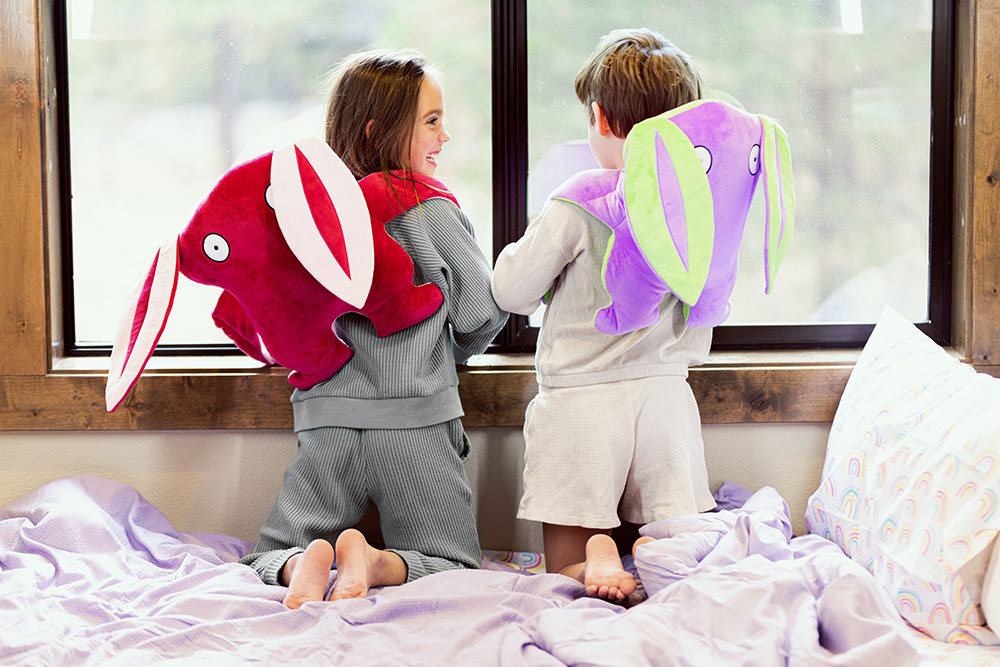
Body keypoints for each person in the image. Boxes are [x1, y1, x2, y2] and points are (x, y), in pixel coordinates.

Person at [240, 49, 508, 608]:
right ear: (379, 130)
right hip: (416, 426)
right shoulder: (428, 210)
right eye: (433, 122)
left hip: (327, 428)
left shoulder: (303, 223)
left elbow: (276, 318)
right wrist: (446, 351)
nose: (446, 135)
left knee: (264, 555)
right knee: (453, 562)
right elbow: (481, 313)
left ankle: (297, 566)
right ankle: (377, 562)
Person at [491, 29, 717, 602]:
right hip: (666, 396)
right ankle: (637, 558)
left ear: (600, 117)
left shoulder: (581, 196)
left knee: (560, 556)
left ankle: (588, 559)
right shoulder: (700, 205)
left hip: (580, 398)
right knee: (672, 541)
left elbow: (513, 289)